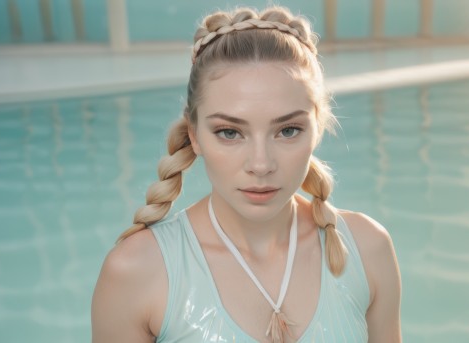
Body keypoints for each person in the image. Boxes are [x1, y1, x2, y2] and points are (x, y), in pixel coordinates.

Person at [91, 5, 401, 343]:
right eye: (229, 132)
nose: (260, 164)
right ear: (194, 135)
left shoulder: (368, 249)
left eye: (288, 130)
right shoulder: (137, 272)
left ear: (319, 127)